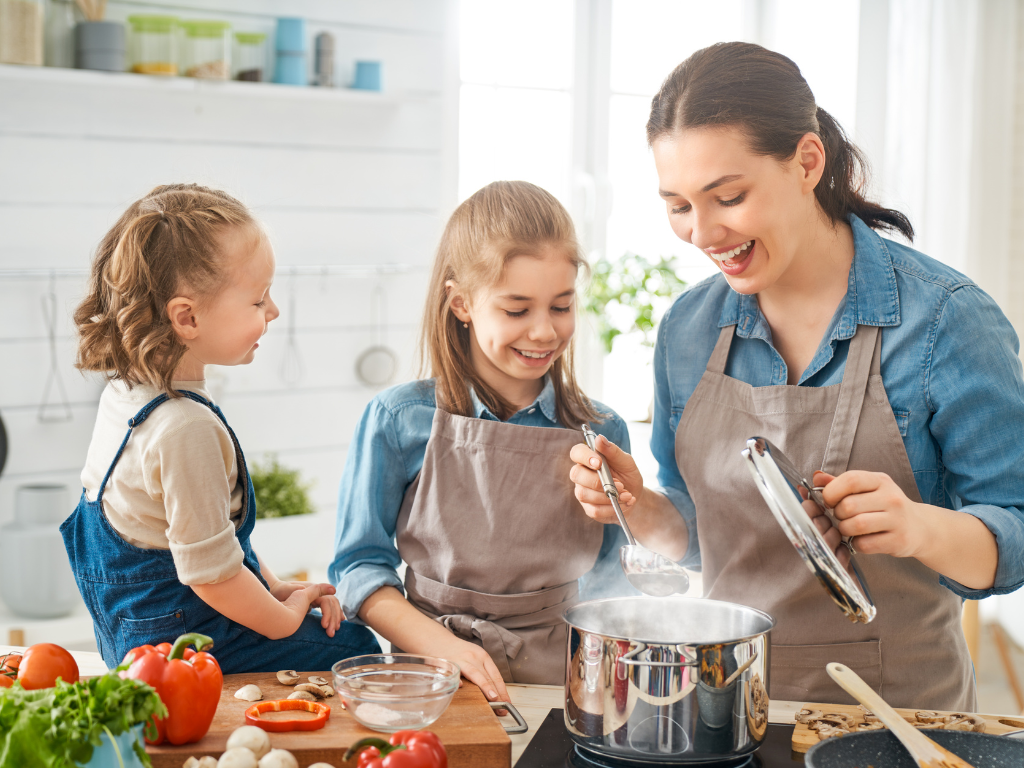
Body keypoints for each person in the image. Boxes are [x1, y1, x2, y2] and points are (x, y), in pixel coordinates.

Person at [569, 42, 1024, 710]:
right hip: (727, 708)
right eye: (678, 205)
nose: (702, 233)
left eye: (728, 197)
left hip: (893, 717)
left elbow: (1015, 531)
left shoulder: (944, 321)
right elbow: (697, 530)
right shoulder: (688, 330)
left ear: (808, 162)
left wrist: (918, 527)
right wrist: (640, 507)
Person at [330, 181, 633, 703]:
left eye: (561, 306)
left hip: (563, 677)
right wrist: (443, 648)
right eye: (517, 310)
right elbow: (359, 569)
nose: (544, 332)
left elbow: (615, 579)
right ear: (462, 303)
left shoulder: (601, 430)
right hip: (429, 674)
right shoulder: (398, 419)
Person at [62, 183, 380, 672]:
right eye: (258, 300)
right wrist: (284, 617)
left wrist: (273, 587)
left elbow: (210, 537)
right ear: (187, 318)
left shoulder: (125, 393)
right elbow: (210, 576)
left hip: (129, 637)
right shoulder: (184, 427)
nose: (273, 311)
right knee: (357, 647)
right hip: (186, 647)